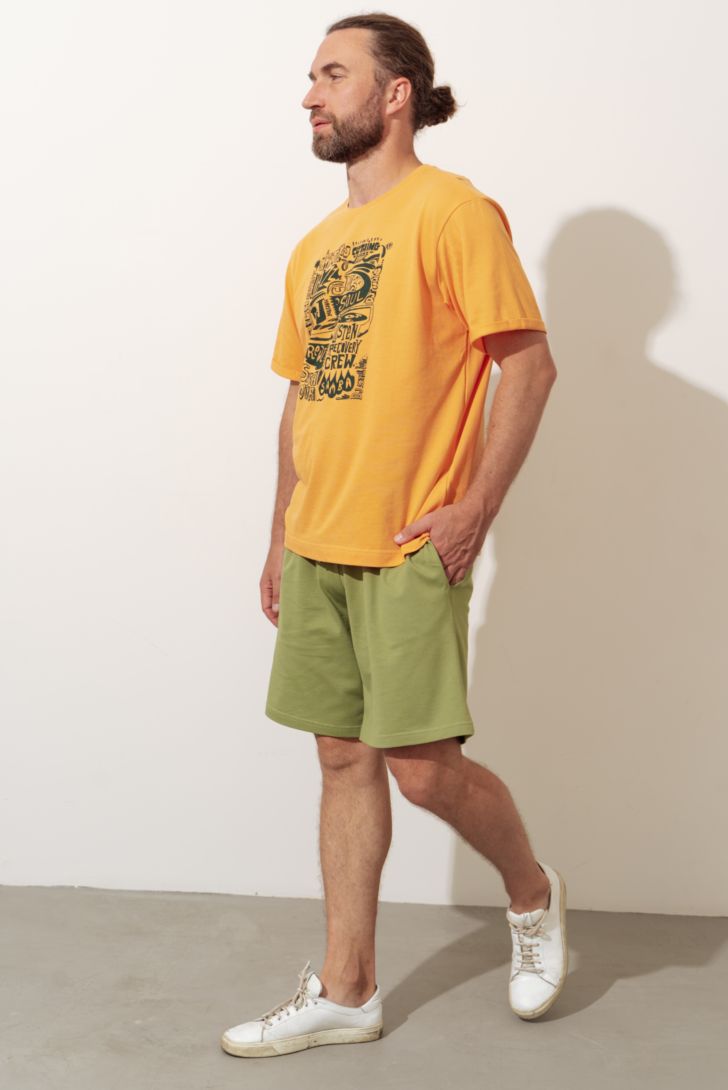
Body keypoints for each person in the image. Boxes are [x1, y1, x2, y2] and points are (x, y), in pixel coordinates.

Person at [221, 12, 567, 1059]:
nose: (310, 95)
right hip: (316, 540)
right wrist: (278, 532)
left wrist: (474, 509)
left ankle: (531, 893)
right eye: (311, 76)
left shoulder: (453, 212)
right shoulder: (314, 247)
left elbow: (528, 364)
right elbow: (302, 399)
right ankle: (348, 989)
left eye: (333, 74)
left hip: (410, 540)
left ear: (396, 92)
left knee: (421, 769)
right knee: (340, 760)